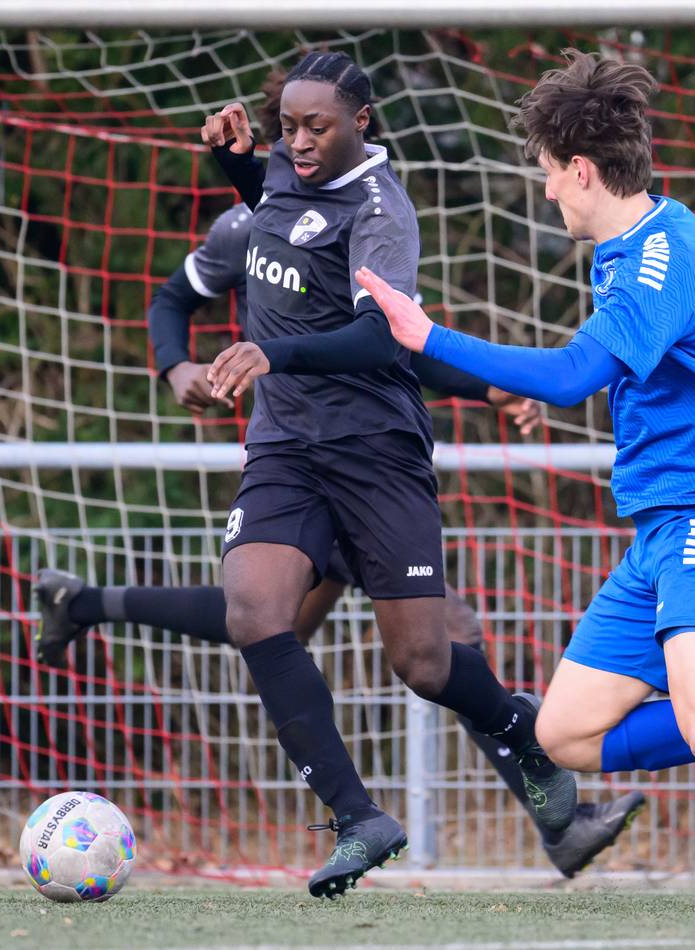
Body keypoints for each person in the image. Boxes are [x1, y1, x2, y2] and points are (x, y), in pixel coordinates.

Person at [354, 50, 695, 814]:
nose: (549, 187)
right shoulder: (650, 234)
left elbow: (569, 378)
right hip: (664, 527)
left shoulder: (655, 265)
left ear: (584, 169)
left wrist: (427, 337)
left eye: (551, 171)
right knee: (566, 735)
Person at [195, 49, 586, 899]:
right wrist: (233, 159)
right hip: (287, 448)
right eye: (286, 125)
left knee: (425, 663)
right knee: (255, 612)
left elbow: (383, 338)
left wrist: (273, 352)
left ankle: (534, 750)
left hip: (376, 450)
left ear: (361, 122)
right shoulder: (279, 172)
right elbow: (283, 220)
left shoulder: (383, 210)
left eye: (316, 126)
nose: (297, 141)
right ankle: (356, 817)